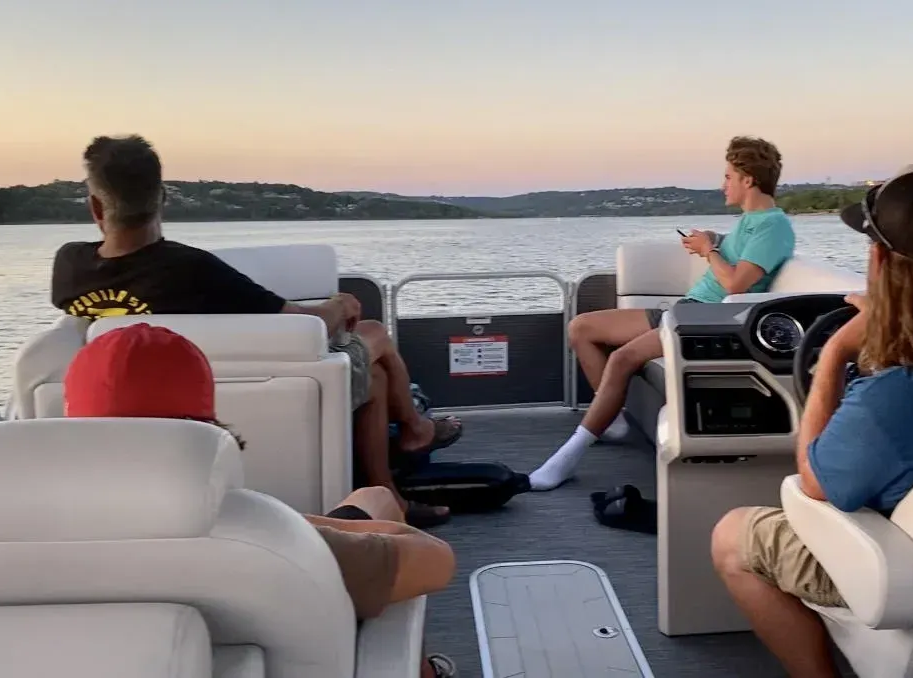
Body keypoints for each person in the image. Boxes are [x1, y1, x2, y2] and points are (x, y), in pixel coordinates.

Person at [709, 164, 913, 678]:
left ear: (881, 260)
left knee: (732, 535)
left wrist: (837, 354)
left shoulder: (892, 397)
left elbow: (815, 482)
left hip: (912, 575)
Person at [49, 134, 460, 526]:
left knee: (374, 376)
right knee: (373, 335)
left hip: (139, 396)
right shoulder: (192, 269)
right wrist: (340, 303)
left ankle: (391, 485)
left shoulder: (70, 267)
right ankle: (413, 436)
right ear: (162, 199)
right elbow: (306, 323)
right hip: (246, 386)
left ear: (96, 209)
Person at [63, 322, 457, 678]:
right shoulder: (256, 540)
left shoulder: (20, 534)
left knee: (375, 499)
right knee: (385, 518)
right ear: (206, 428)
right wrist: (290, 523)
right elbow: (436, 562)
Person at [529, 136, 796, 490]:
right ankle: (612, 423)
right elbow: (737, 257)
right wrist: (715, 240)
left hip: (707, 320)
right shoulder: (750, 221)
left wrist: (707, 250)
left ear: (748, 179)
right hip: (686, 309)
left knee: (623, 359)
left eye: (728, 176)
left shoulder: (773, 226)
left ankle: (569, 455)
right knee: (582, 328)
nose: (723, 184)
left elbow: (736, 286)